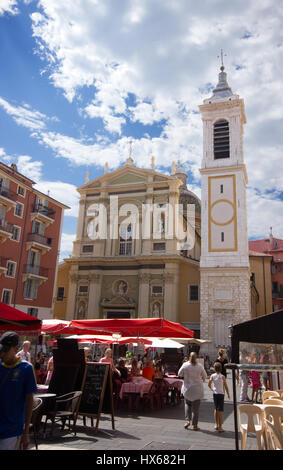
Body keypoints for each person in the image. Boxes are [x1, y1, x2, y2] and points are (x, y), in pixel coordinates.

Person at [0, 331, 37, 450]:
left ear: (16, 348)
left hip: (12, 430)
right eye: (2, 349)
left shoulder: (26, 369)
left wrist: (26, 432)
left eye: (6, 350)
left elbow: (30, 400)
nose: (3, 353)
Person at [178, 352, 207, 431]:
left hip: (187, 388)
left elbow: (179, 373)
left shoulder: (185, 365)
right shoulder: (200, 366)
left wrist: (185, 375)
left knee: (187, 404)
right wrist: (201, 379)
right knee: (196, 408)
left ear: (189, 357)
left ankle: (187, 420)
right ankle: (195, 425)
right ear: (196, 357)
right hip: (197, 389)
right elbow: (205, 376)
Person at [208, 362, 231, 432]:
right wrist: (228, 394)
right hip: (221, 394)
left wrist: (212, 389)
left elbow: (209, 384)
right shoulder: (222, 376)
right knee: (220, 410)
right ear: (221, 369)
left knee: (215, 409)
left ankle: (216, 424)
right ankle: (220, 426)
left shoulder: (212, 376)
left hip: (215, 394)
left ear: (214, 369)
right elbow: (226, 386)